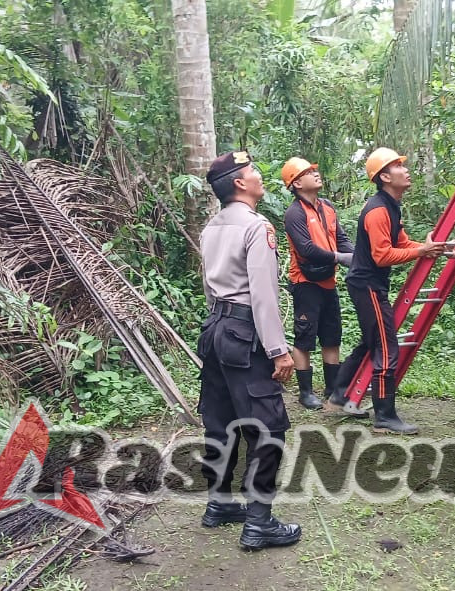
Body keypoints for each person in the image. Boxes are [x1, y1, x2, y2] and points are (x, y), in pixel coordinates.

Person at [196, 150, 302, 550]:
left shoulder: (211, 228)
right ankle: (259, 523)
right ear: (240, 183)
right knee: (267, 427)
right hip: (245, 333)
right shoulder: (257, 227)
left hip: (215, 329)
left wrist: (221, 323)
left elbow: (209, 288)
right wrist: (278, 350)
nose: (259, 175)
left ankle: (219, 504)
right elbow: (263, 295)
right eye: (253, 170)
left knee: (220, 422)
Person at [329, 148, 446, 434]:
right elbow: (382, 256)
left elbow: (402, 244)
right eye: (398, 166)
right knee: (385, 346)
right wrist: (421, 251)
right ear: (384, 177)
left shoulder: (392, 206)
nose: (406, 170)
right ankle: (384, 414)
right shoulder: (378, 210)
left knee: (372, 341)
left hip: (369, 283)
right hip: (367, 284)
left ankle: (339, 394)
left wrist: (426, 248)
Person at [280, 157, 356, 411]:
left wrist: (356, 257)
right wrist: (339, 258)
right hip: (305, 283)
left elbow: (341, 239)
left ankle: (332, 388)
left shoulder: (327, 207)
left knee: (332, 336)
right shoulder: (294, 213)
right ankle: (305, 392)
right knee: (305, 337)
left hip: (328, 281)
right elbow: (307, 249)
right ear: (297, 183)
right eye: (308, 172)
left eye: (314, 169)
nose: (316, 173)